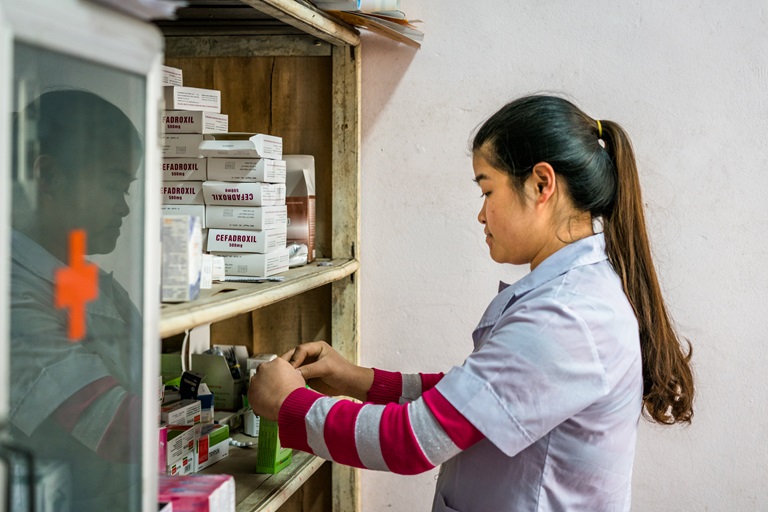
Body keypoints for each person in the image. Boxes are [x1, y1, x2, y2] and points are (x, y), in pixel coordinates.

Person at [248, 94, 695, 511]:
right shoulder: (575, 293)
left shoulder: (565, 317)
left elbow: (412, 441)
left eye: (487, 190)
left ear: (542, 184)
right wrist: (355, 379)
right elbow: (477, 401)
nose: (481, 213)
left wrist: (287, 403)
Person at [9, 89, 145, 511]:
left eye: (127, 188)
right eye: (112, 186)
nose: (124, 208)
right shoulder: (12, 298)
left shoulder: (87, 280)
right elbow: (117, 428)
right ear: (48, 177)